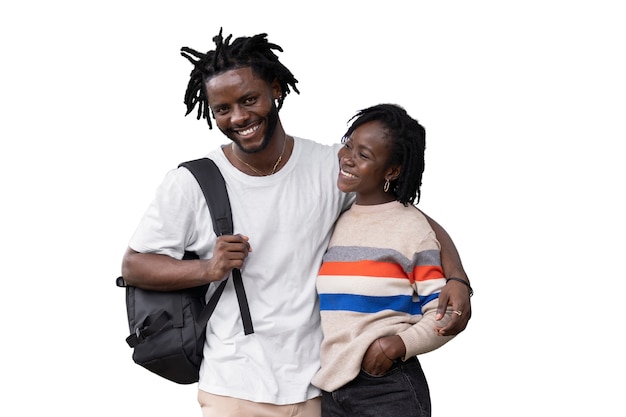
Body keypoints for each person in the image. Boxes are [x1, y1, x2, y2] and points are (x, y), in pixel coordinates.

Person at [121, 29, 472, 417]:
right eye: (222, 109)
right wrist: (208, 268)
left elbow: (406, 218)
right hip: (234, 386)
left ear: (276, 90)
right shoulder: (191, 183)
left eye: (249, 99)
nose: (238, 117)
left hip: (320, 388)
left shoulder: (328, 167)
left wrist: (457, 279)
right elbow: (134, 264)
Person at [313, 104, 459, 417]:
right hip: (333, 387)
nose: (348, 158)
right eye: (349, 144)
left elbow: (445, 314)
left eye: (364, 155)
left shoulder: (411, 229)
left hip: (387, 388)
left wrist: (397, 346)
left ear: (391, 171)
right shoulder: (337, 221)